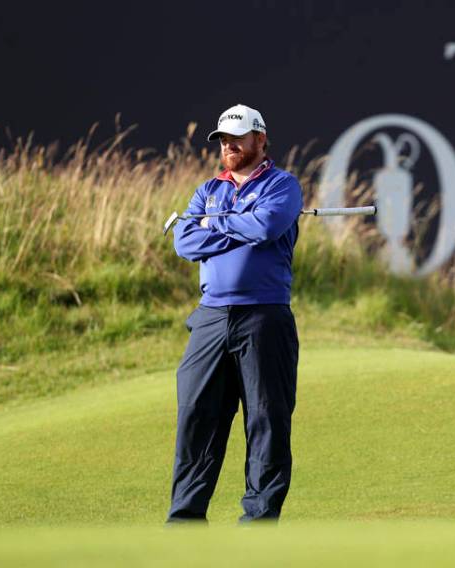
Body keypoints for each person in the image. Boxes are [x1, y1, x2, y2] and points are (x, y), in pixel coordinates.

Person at [167, 103, 302, 523]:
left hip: (264, 317)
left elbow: (265, 229)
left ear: (259, 139)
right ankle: (185, 519)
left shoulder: (283, 185)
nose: (228, 146)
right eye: (223, 140)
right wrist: (230, 223)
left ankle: (260, 521)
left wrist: (214, 225)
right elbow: (185, 243)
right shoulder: (208, 190)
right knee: (196, 416)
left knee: (266, 419)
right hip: (210, 317)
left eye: (237, 138)